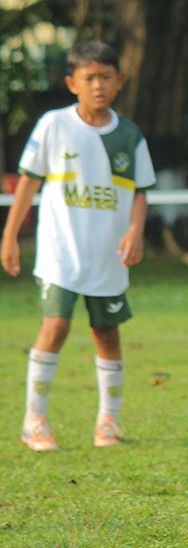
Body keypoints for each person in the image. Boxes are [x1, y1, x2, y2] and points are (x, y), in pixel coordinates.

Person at [1, 41, 156, 451]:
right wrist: (10, 234)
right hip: (60, 253)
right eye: (89, 78)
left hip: (108, 255)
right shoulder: (53, 125)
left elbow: (141, 191)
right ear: (73, 83)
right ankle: (34, 421)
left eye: (106, 77)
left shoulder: (129, 135)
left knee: (106, 333)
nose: (98, 85)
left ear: (119, 81)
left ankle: (108, 423)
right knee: (55, 327)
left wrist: (135, 230)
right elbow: (29, 182)